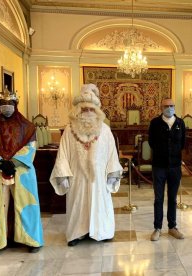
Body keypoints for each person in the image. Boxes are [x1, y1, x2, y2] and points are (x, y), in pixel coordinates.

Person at [50, 83, 123, 246]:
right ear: (78, 109)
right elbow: (62, 153)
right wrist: (62, 174)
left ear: (97, 110)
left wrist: (112, 174)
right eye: (84, 109)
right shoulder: (69, 130)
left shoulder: (105, 130)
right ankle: (77, 233)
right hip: (77, 178)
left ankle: (102, 230)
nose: (88, 112)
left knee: (100, 202)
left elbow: (112, 154)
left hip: (99, 179)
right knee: (78, 203)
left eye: (91, 109)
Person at [0, 89, 44, 257]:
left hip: (22, 171)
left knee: (25, 204)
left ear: (15, 105)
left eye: (10, 104)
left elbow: (31, 148)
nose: (7, 107)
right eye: (3, 104)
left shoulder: (28, 127)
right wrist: (0, 163)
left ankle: (30, 239)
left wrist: (13, 163)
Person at [149, 98, 186, 241]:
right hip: (159, 166)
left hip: (175, 167)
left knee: (173, 198)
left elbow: (183, 143)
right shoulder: (155, 123)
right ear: (161, 107)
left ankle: (172, 227)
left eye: (171, 106)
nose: (169, 108)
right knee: (158, 198)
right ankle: (157, 228)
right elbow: (151, 142)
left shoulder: (180, 123)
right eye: (166, 106)